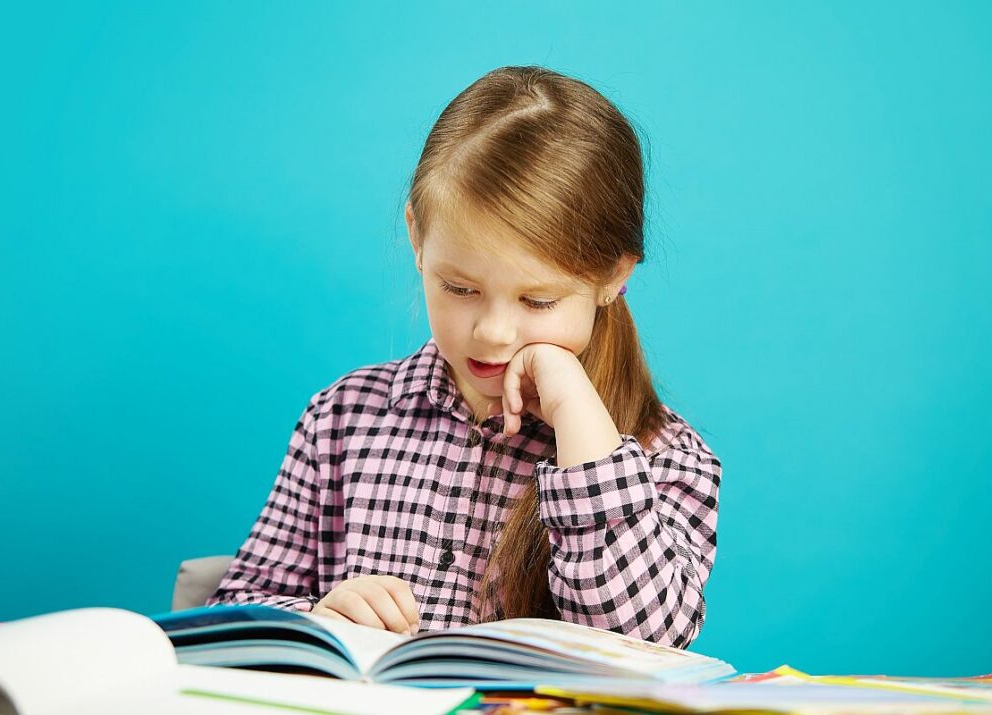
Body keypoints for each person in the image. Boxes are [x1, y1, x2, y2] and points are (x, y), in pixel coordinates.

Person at [207, 65, 721, 649]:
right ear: (416, 238)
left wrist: (580, 422)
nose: (494, 333)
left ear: (613, 276)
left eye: (538, 299)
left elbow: (646, 644)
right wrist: (319, 616)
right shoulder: (342, 419)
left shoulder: (668, 458)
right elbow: (235, 608)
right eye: (460, 289)